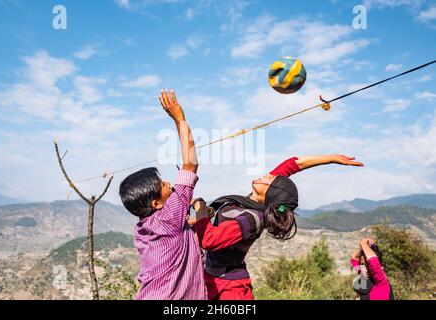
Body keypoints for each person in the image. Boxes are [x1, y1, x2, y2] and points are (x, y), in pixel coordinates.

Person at [191, 155, 364, 300]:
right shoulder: (251, 202)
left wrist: (200, 209)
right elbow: (292, 165)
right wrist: (332, 158)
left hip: (230, 290)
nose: (266, 175)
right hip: (213, 280)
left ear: (272, 192)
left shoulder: (253, 218)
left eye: (271, 179)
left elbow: (208, 240)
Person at [119, 89, 207, 300]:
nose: (169, 183)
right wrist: (180, 118)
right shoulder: (170, 216)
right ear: (157, 203)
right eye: (163, 185)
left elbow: (176, 237)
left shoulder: (143, 227)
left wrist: (196, 218)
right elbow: (191, 163)